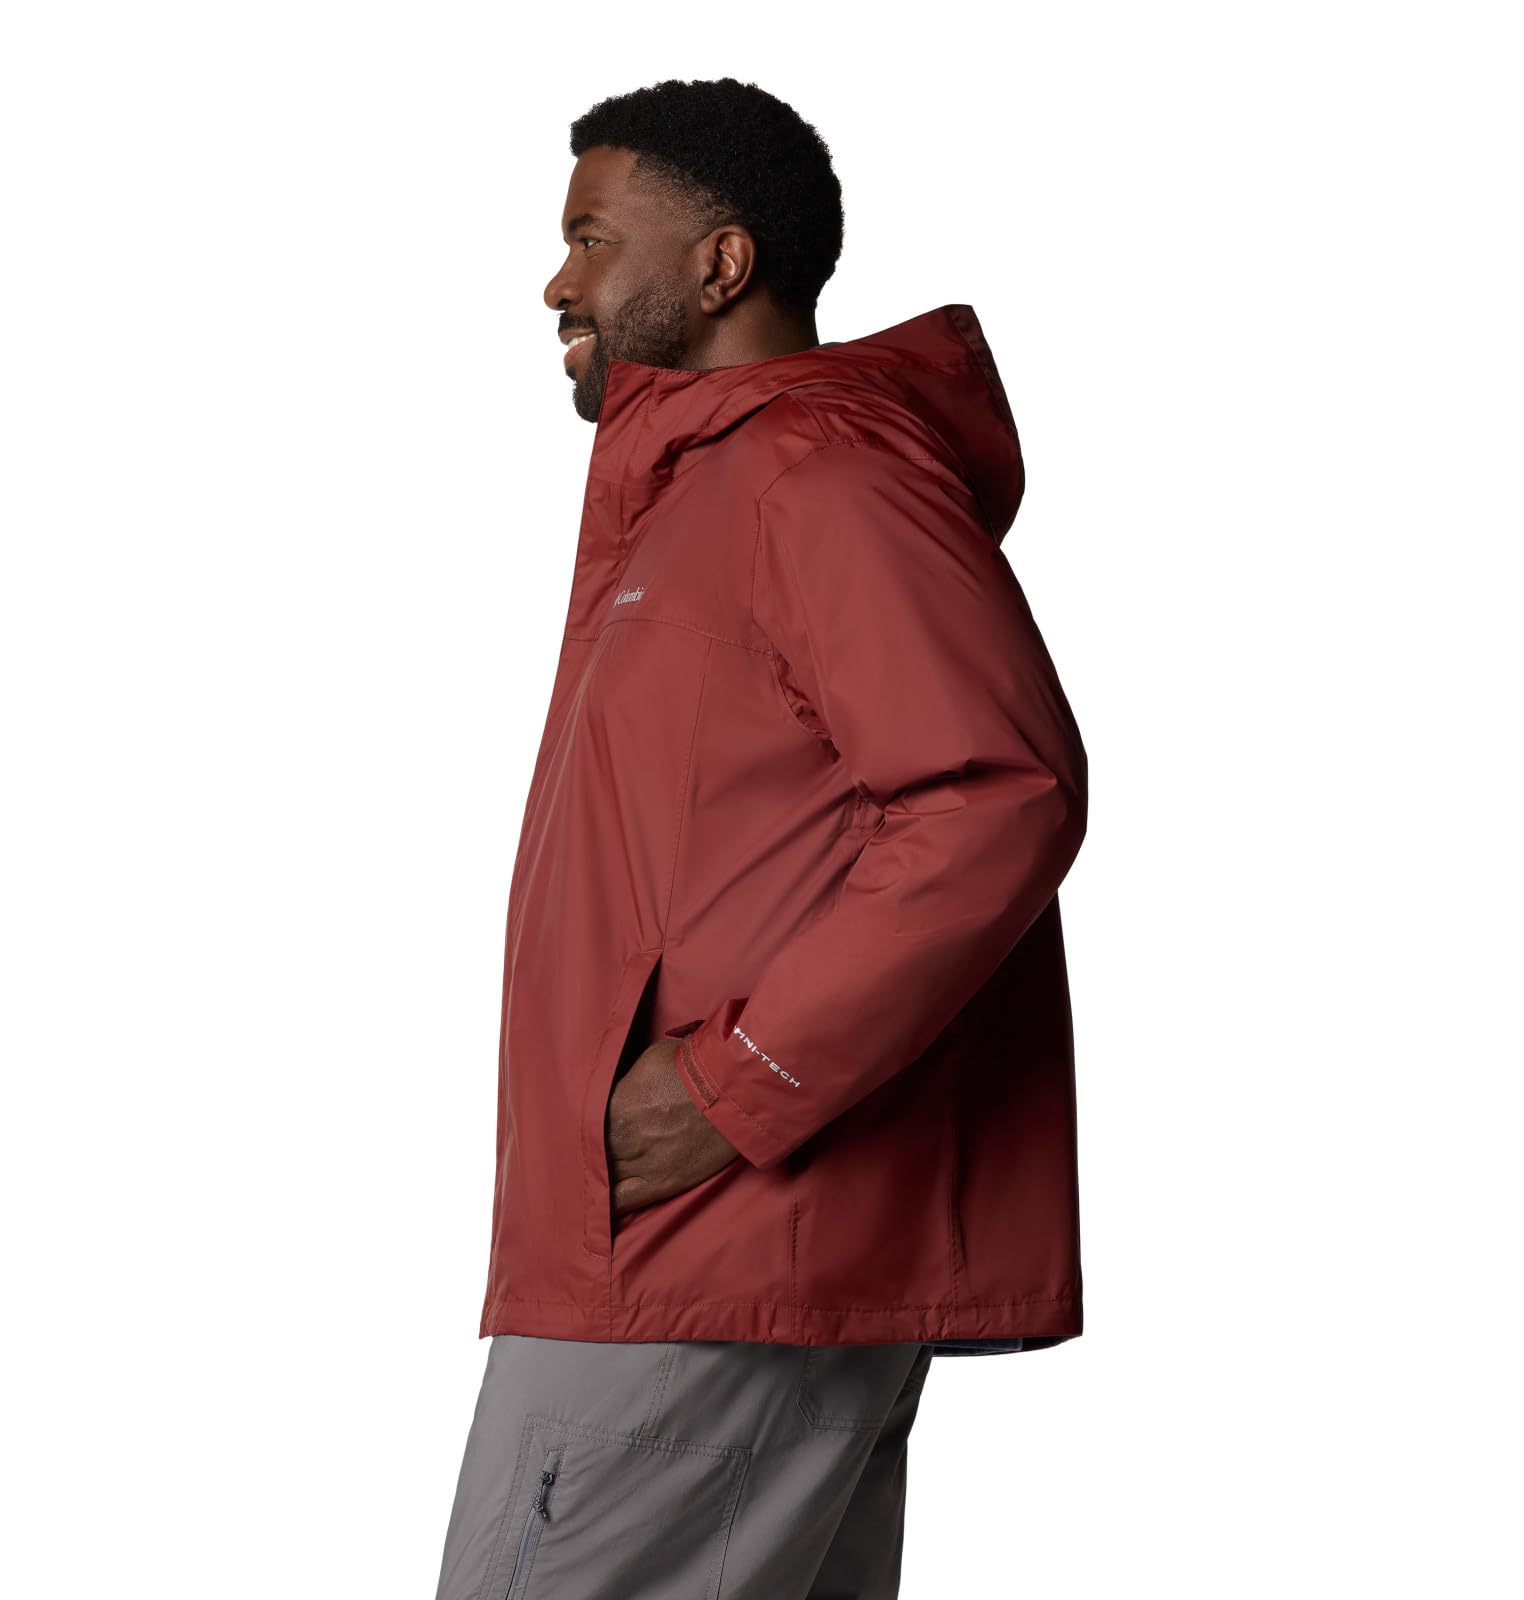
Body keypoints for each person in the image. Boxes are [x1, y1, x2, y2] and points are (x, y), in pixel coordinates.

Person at [434, 75, 1088, 1600]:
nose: (558, 282)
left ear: (723, 264)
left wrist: (737, 1089)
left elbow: (998, 791)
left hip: (706, 1261)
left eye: (594, 239)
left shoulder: (815, 474)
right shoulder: (706, 498)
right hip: (721, 1261)